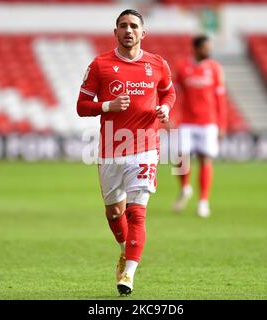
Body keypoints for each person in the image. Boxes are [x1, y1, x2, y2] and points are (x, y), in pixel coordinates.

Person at [76, 9, 176, 296]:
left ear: (143, 33)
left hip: (145, 147)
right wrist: (107, 105)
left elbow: (169, 92)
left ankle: (128, 274)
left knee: (136, 212)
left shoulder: (158, 64)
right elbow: (82, 107)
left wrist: (166, 108)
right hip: (111, 150)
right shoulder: (100, 65)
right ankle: (124, 251)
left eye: (134, 26)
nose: (128, 30)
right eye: (123, 26)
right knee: (114, 211)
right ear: (115, 32)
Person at [172, 35, 227, 218]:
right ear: (195, 48)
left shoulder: (215, 69)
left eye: (209, 47)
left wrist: (222, 124)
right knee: (180, 158)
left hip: (208, 122)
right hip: (187, 121)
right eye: (205, 47)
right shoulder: (182, 67)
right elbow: (175, 95)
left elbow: (220, 98)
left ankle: (203, 201)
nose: (208, 51)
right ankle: (185, 188)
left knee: (205, 159)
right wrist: (171, 117)